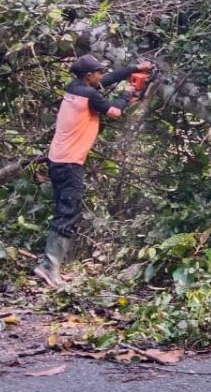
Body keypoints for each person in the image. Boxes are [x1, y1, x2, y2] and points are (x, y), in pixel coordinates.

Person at [34, 54, 153, 288]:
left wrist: (136, 67)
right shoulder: (89, 94)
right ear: (88, 75)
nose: (101, 75)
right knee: (68, 212)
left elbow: (107, 80)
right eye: (98, 72)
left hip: (58, 159)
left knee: (63, 210)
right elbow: (115, 112)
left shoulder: (77, 87)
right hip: (69, 163)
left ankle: (50, 263)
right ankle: (49, 267)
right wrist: (128, 92)